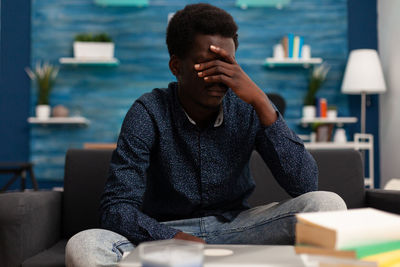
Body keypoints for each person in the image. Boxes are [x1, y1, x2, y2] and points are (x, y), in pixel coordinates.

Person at [66, 3, 346, 266]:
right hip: (163, 233)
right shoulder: (148, 112)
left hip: (236, 228)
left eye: (226, 65)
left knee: (327, 205)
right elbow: (116, 208)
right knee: (85, 244)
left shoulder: (249, 107)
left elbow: (306, 185)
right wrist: (173, 239)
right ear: (176, 67)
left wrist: (261, 101)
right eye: (207, 66)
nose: (219, 77)